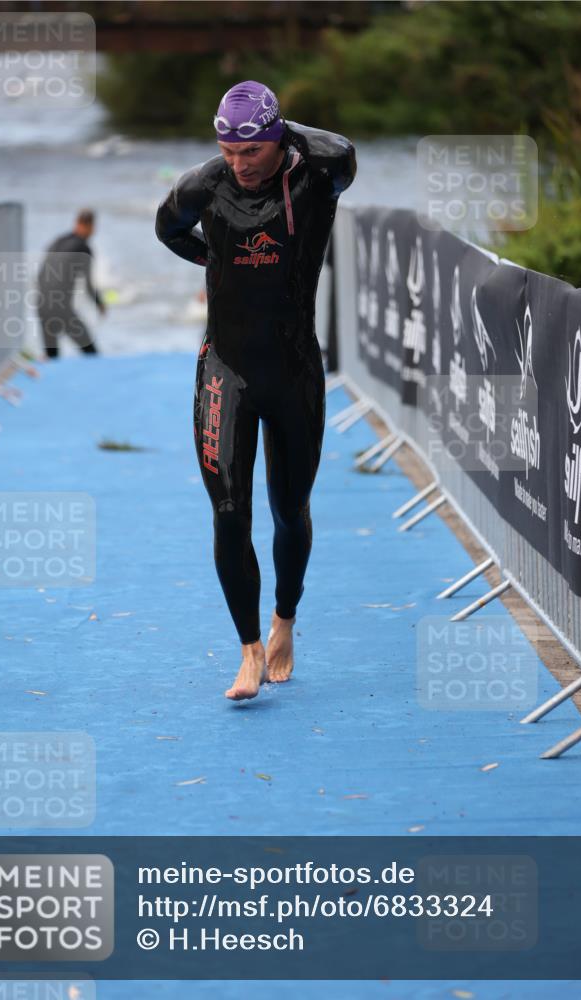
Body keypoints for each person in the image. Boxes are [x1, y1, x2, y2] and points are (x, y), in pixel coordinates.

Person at [155, 81, 356, 701]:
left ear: (277, 141)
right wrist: (216, 258)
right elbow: (167, 229)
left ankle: (284, 622)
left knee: (289, 510)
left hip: (294, 370)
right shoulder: (202, 186)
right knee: (227, 512)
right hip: (227, 370)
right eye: (228, 150)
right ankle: (246, 650)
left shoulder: (320, 173)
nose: (239, 165)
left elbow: (343, 147)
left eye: (252, 151)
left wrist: (278, 126)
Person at [36, 209, 106, 358]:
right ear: (90, 226)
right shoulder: (84, 248)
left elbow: (41, 274)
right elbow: (88, 285)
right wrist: (99, 303)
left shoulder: (58, 241)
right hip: (60, 307)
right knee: (91, 352)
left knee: (52, 356)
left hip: (41, 304)